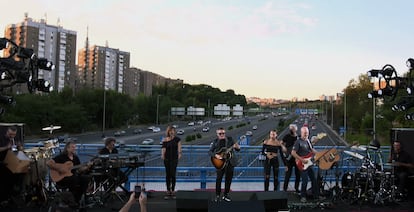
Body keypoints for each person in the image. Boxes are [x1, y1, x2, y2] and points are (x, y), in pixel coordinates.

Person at [47, 140, 91, 206]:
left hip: (73, 177)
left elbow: (79, 169)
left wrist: (87, 166)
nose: (74, 148)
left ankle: (77, 199)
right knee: (74, 179)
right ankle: (71, 200)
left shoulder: (75, 158)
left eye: (75, 147)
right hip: (62, 178)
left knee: (86, 179)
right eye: (72, 147)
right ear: (67, 148)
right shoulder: (61, 157)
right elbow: (48, 163)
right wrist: (60, 168)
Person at [208, 127, 240, 202]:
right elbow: (210, 152)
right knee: (218, 179)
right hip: (220, 163)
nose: (222, 135)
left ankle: (226, 195)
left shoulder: (230, 139)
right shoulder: (215, 141)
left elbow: (238, 149)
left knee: (228, 180)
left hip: (230, 162)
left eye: (223, 133)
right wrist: (216, 156)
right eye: (220, 133)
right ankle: (217, 195)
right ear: (217, 134)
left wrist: (237, 147)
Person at [291, 126, 322, 203]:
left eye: (307, 133)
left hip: (309, 163)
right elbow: (293, 153)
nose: (306, 135)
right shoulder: (298, 142)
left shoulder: (308, 141)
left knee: (313, 180)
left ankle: (316, 196)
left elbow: (311, 150)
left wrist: (320, 154)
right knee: (305, 181)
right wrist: (302, 159)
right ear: (301, 133)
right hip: (302, 163)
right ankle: (303, 196)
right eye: (305, 133)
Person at [0, 126, 23, 203]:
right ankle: (5, 195)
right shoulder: (1, 138)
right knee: (8, 174)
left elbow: (21, 150)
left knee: (25, 165)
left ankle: (16, 189)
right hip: (2, 160)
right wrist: (7, 147)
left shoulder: (15, 139)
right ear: (7, 132)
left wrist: (20, 146)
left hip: (12, 159)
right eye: (10, 134)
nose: (12, 136)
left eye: (13, 135)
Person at [161, 126, 182, 200]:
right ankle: (168, 190)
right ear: (168, 132)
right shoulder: (165, 140)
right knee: (168, 174)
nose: (172, 132)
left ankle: (173, 190)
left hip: (174, 159)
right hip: (167, 159)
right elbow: (163, 148)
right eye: (170, 131)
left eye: (173, 130)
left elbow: (179, 147)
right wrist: (162, 155)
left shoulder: (177, 139)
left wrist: (179, 154)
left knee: (173, 174)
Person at [282, 124, 301, 193]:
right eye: (290, 128)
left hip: (296, 159)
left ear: (296, 129)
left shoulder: (299, 137)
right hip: (289, 159)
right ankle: (284, 189)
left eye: (292, 128)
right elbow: (281, 143)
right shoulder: (287, 136)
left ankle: (296, 189)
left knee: (298, 175)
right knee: (288, 175)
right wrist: (283, 147)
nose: (291, 130)